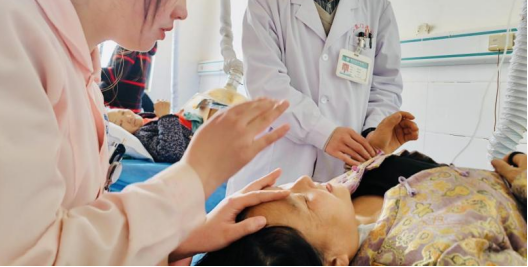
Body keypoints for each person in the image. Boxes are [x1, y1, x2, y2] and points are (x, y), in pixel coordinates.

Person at [0, 0, 291, 265]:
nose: (182, 11)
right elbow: (22, 254)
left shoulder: (81, 69)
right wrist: (195, 175)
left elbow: (74, 224)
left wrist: (177, 239)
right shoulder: (1, 25)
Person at [229, 0, 403, 193]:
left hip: (346, 172)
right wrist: (323, 132)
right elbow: (267, 86)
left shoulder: (376, 6)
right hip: (277, 170)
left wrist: (372, 132)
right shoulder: (265, 3)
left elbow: (385, 83)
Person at [201, 113, 528, 266]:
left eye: (284, 189)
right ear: (334, 262)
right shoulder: (437, 254)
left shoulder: (339, 208)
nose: (302, 180)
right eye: (303, 202)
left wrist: (378, 156)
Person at [101, 43, 159, 113]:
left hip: (115, 110)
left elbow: (117, 74)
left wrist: (93, 70)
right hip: (131, 111)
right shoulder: (145, 49)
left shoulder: (129, 43)